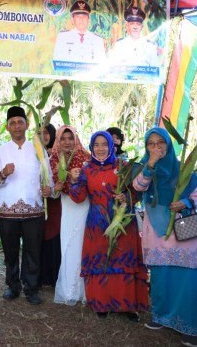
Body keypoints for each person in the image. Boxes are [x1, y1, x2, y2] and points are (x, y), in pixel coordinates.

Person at [69, 131, 148, 320]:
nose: (101, 148)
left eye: (105, 144)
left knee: (123, 260)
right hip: (97, 223)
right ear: (91, 147)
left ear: (112, 146)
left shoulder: (124, 166)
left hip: (123, 221)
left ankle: (128, 306)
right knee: (101, 260)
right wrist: (73, 180)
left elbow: (137, 194)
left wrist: (126, 198)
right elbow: (78, 198)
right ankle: (101, 303)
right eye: (96, 145)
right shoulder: (86, 169)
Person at [133, 127, 197, 346]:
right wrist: (150, 163)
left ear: (169, 146)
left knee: (187, 277)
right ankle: (161, 317)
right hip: (157, 228)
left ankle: (191, 326)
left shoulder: (184, 169)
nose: (156, 147)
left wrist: (186, 202)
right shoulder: (145, 167)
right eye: (150, 144)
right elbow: (138, 186)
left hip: (182, 229)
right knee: (161, 275)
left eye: (160, 143)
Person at [0, 106, 52, 304]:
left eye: (20, 122)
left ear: (26, 125)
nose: (17, 126)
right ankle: (12, 286)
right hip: (7, 211)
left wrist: (48, 189)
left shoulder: (38, 149)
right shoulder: (0, 151)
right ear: (7, 128)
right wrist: (3, 173)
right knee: (10, 252)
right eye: (12, 123)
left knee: (33, 251)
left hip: (34, 209)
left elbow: (48, 177)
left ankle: (31, 288)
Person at [50, 125, 90, 305]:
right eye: (63, 139)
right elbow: (51, 189)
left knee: (82, 245)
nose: (67, 142)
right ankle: (69, 290)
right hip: (66, 207)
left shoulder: (86, 158)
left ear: (76, 139)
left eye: (70, 138)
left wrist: (76, 179)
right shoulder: (53, 159)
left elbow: (92, 183)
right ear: (58, 140)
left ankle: (85, 291)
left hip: (83, 206)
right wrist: (58, 184)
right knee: (68, 245)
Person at [40, 123, 61, 287]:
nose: (43, 136)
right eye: (39, 133)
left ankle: (54, 276)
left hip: (55, 203)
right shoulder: (33, 152)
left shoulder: (58, 153)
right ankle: (42, 276)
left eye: (46, 133)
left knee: (53, 235)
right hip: (39, 203)